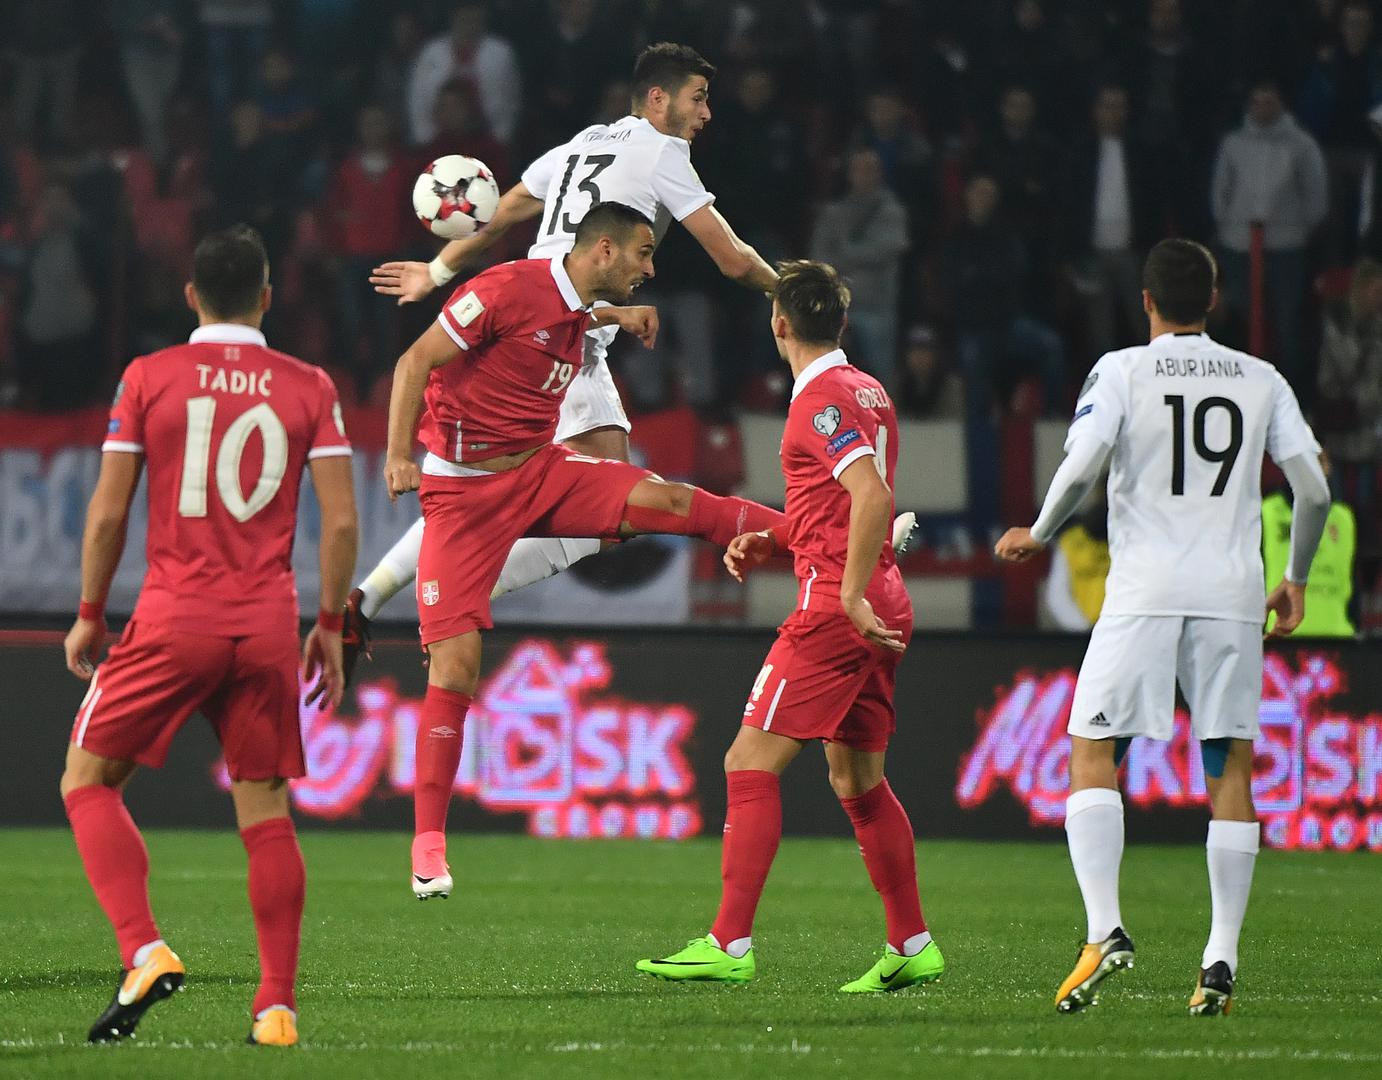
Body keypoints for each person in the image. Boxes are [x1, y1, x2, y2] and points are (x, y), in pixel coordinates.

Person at [384, 202, 789, 901]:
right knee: (456, 665)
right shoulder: (504, 288)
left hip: (539, 473)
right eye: (643, 253)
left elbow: (566, 313)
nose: (650, 268)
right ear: (604, 249)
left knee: (668, 501)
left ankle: (827, 539)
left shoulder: (575, 301)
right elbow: (415, 359)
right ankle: (428, 843)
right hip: (461, 498)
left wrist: (617, 317)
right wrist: (397, 456)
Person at [995, 239, 1330, 1017]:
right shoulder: (1261, 378)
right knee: (1230, 769)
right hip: (1232, 593)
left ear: (1145, 301)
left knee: (1092, 748)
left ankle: (1105, 929)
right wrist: (1296, 577)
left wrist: (1040, 532)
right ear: (1213, 300)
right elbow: (1312, 489)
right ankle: (1219, 961)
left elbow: (1083, 464)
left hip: (1144, 591)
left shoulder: (1121, 370)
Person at [351, 43, 778, 635]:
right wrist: (787, 292)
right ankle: (446, 588)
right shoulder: (664, 151)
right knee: (609, 514)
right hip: (558, 339)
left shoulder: (584, 142)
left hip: (544, 322)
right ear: (658, 99)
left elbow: (504, 210)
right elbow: (731, 258)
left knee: (554, 502)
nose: (706, 114)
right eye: (698, 98)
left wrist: (438, 270)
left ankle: (383, 593)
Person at [59, 226, 359, 1047]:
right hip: (265, 625)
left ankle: (143, 949)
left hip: (174, 616)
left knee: (87, 781)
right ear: (267, 296)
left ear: (190, 295)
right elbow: (340, 523)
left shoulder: (149, 376)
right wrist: (331, 625)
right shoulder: (309, 385)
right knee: (266, 810)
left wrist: (90, 610)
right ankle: (276, 1009)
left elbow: (110, 511)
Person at [637, 261, 942, 993]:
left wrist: (849, 593)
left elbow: (872, 498)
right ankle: (912, 942)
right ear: (841, 321)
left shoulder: (818, 402)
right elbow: (837, 510)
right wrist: (775, 541)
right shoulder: (867, 389)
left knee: (747, 763)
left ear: (778, 324)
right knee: (857, 778)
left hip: (838, 606)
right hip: (879, 597)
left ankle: (728, 943)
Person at [811, 147, 910, 390]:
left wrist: (843, 255)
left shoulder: (892, 212)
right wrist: (858, 257)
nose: (864, 174)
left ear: (879, 173)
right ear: (849, 173)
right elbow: (819, 258)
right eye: (859, 169)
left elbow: (886, 249)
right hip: (837, 307)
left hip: (877, 307)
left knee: (879, 377)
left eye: (870, 169)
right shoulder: (833, 213)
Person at [1263, 456, 1357, 638]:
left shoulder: (1343, 517)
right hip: (1282, 637)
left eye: (1321, 460)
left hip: (1338, 637)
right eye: (1308, 458)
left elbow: (1351, 579)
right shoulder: (1268, 511)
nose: (1315, 466)